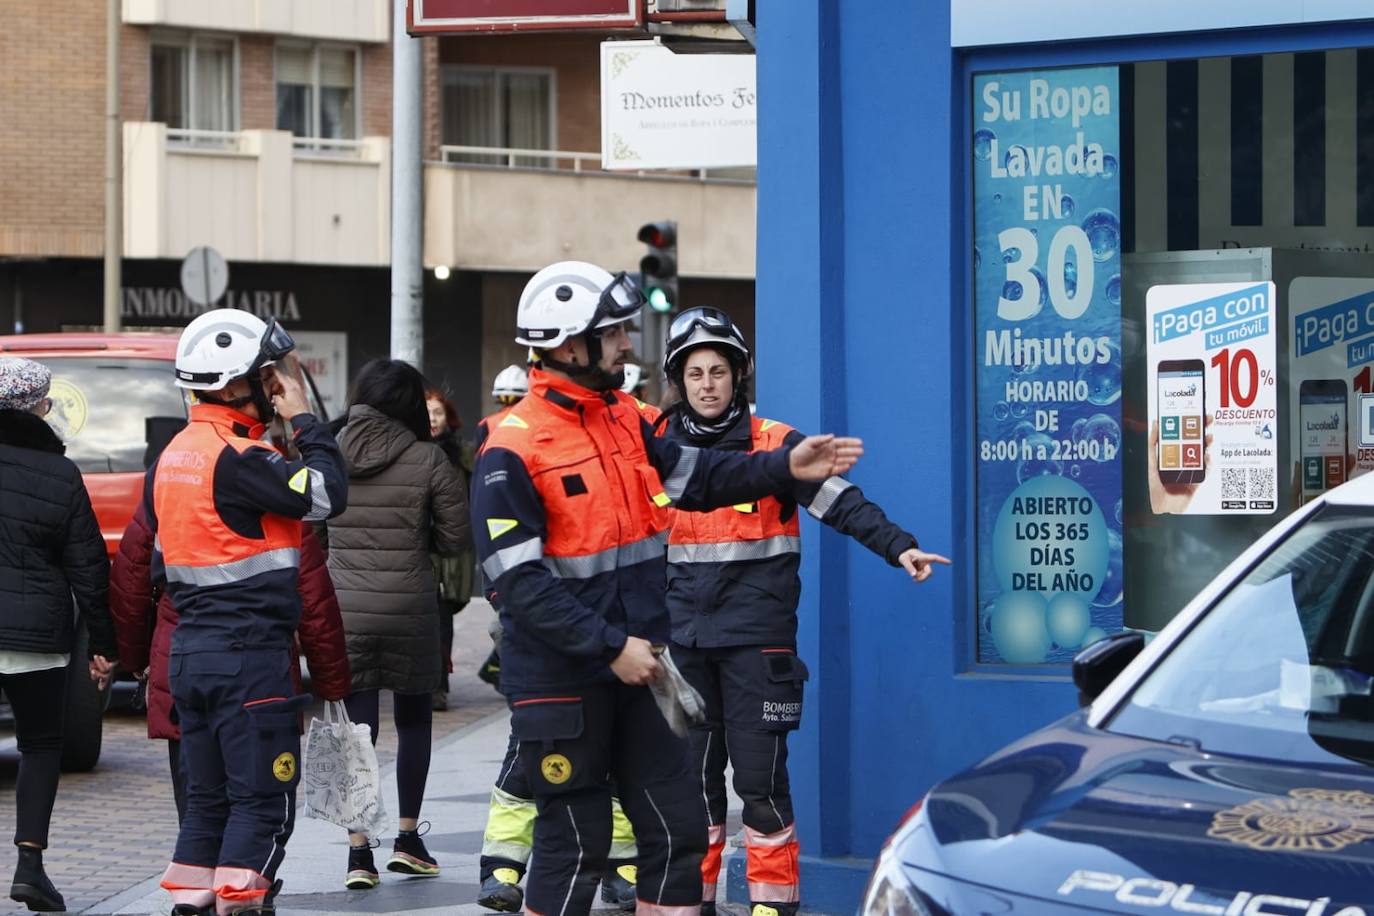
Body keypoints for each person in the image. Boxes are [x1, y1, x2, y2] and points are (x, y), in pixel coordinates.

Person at [470, 261, 863, 916]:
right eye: (616, 332)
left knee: (678, 829)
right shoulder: (510, 447)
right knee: (578, 841)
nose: (628, 344)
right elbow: (518, 585)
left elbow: (700, 477)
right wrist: (610, 647)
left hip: (643, 669)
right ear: (572, 346)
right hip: (565, 680)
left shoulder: (627, 417)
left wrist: (780, 466)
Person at [656, 307, 951, 916]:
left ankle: (772, 907)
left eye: (718, 371)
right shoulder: (656, 454)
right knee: (691, 794)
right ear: (679, 381)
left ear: (739, 375)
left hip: (757, 644)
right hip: (681, 645)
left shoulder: (777, 445)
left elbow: (843, 505)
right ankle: (692, 905)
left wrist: (898, 546)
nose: (707, 384)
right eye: (694, 374)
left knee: (761, 788)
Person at [151, 309, 348, 916]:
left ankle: (191, 902)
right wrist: (306, 422)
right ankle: (237, 904)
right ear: (236, 384)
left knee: (208, 801)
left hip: (192, 652)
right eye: (267, 377)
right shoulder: (238, 458)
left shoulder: (175, 455)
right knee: (263, 802)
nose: (276, 387)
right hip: (248, 657)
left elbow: (162, 562)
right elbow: (326, 494)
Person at [326, 359, 471, 889]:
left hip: (347, 610)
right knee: (414, 722)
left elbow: (310, 526)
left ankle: (358, 852)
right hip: (410, 606)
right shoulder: (428, 458)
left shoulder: (330, 452)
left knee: (355, 730)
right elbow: (456, 539)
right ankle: (409, 840)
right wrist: (415, 542)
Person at [110, 505, 351, 824]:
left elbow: (129, 585)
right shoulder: (276, 496)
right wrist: (331, 680)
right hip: (262, 672)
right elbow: (314, 602)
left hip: (186, 662)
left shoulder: (167, 491)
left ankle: (209, 870)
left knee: (198, 808)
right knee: (263, 810)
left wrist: (136, 659)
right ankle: (249, 870)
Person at [0, 357, 116, 913]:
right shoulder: (60, 473)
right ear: (38, 409)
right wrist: (106, 646)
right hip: (35, 634)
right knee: (40, 745)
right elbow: (89, 566)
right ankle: (29, 867)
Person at [426, 387, 477, 712]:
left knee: (443, 620)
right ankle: (427, 686)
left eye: (438, 413)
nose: (432, 419)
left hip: (451, 551)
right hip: (419, 551)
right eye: (427, 412)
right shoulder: (410, 452)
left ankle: (438, 687)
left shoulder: (464, 455)